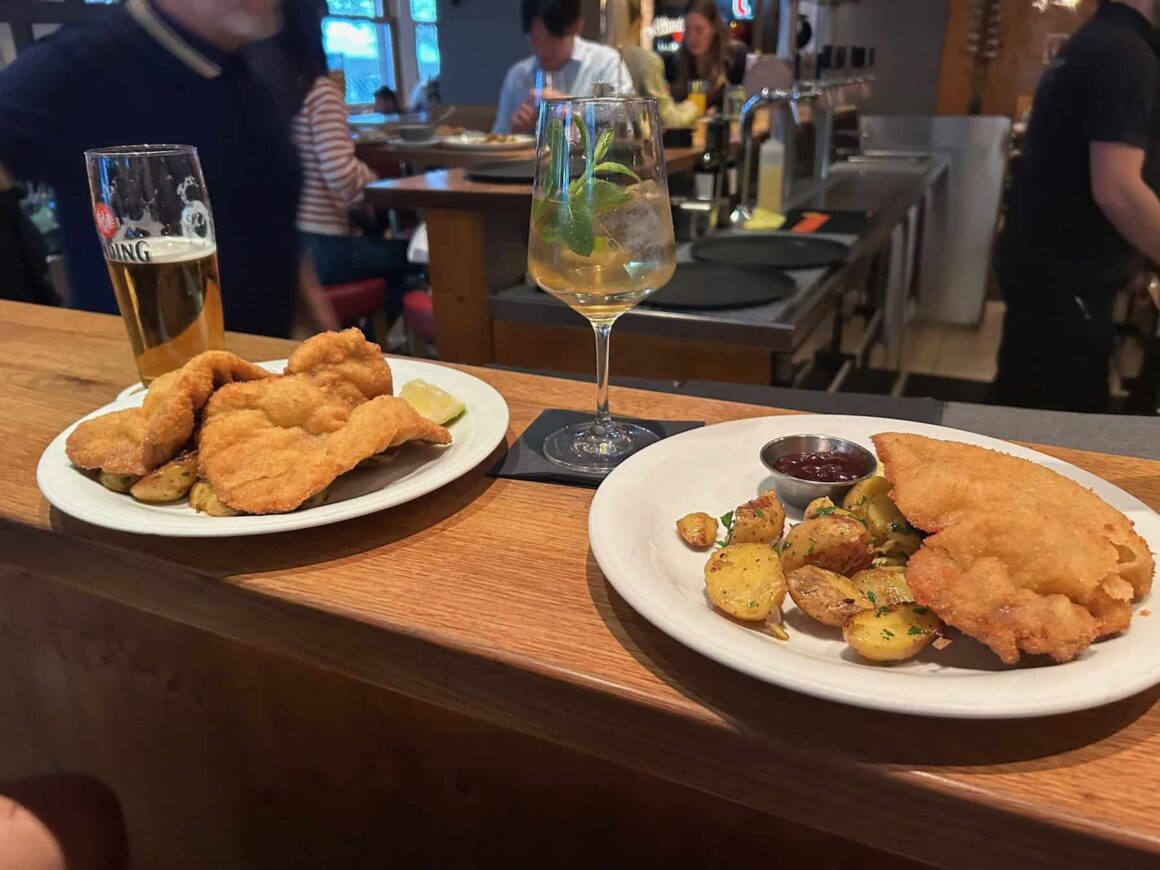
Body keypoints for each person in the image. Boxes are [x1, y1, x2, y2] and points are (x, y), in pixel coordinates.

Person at [0, 0, 336, 338]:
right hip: (136, 360)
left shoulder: (256, 61)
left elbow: (273, 220)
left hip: (260, 356)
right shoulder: (83, 60)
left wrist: (323, 330)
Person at [992, 0, 1160, 413]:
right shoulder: (1125, 53)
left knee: (1019, 408)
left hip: (1046, 272)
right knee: (1056, 422)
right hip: (1068, 283)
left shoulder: (1098, 39)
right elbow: (1118, 189)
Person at [287, 0, 409, 323]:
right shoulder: (321, 92)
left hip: (286, 250)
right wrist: (376, 183)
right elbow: (340, 174)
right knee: (413, 256)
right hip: (322, 247)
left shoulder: (270, 91)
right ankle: (367, 344)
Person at [493, 0, 633, 134]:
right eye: (535, 39)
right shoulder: (519, 76)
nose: (543, 50)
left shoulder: (604, 62)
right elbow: (497, 136)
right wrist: (515, 131)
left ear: (577, 26)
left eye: (551, 40)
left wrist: (573, 108)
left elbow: (627, 118)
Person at [605, 0, 699, 129]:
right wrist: (693, 107)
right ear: (640, 20)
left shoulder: (598, 60)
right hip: (635, 141)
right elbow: (666, 119)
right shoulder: (646, 61)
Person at [669, 0, 747, 111]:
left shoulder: (734, 58)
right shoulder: (676, 62)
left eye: (699, 30)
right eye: (687, 30)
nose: (691, 38)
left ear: (714, 28)